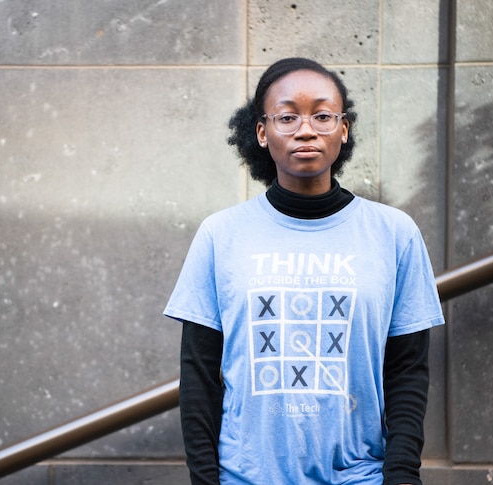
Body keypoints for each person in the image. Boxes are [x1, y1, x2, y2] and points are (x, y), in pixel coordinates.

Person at [163, 57, 445, 485]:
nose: (306, 129)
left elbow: (407, 370)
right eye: (288, 116)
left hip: (360, 476)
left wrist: (401, 475)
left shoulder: (394, 233)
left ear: (344, 129)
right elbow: (199, 374)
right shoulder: (221, 234)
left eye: (323, 115)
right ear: (262, 132)